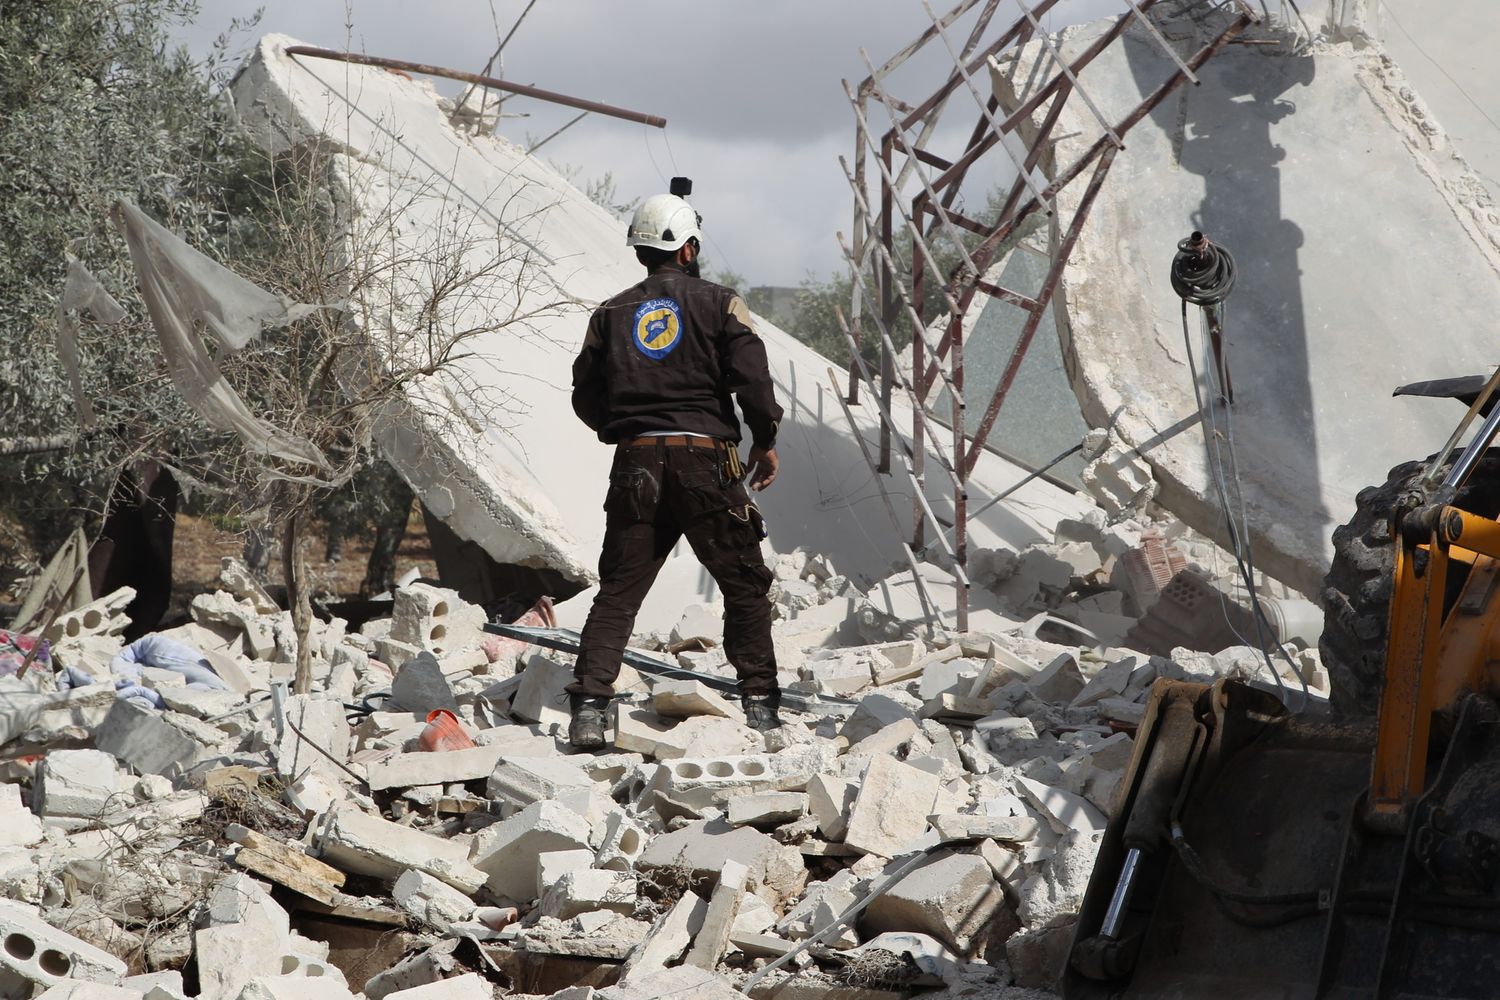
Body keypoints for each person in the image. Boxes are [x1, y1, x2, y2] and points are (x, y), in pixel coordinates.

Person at [566, 186, 784, 749]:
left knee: (618, 590)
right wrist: (766, 438)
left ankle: (589, 709)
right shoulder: (720, 303)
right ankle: (760, 704)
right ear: (687, 250)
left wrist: (622, 430)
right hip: (705, 461)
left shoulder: (611, 312)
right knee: (743, 584)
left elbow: (584, 393)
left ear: (642, 251)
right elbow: (754, 381)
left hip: (636, 462)